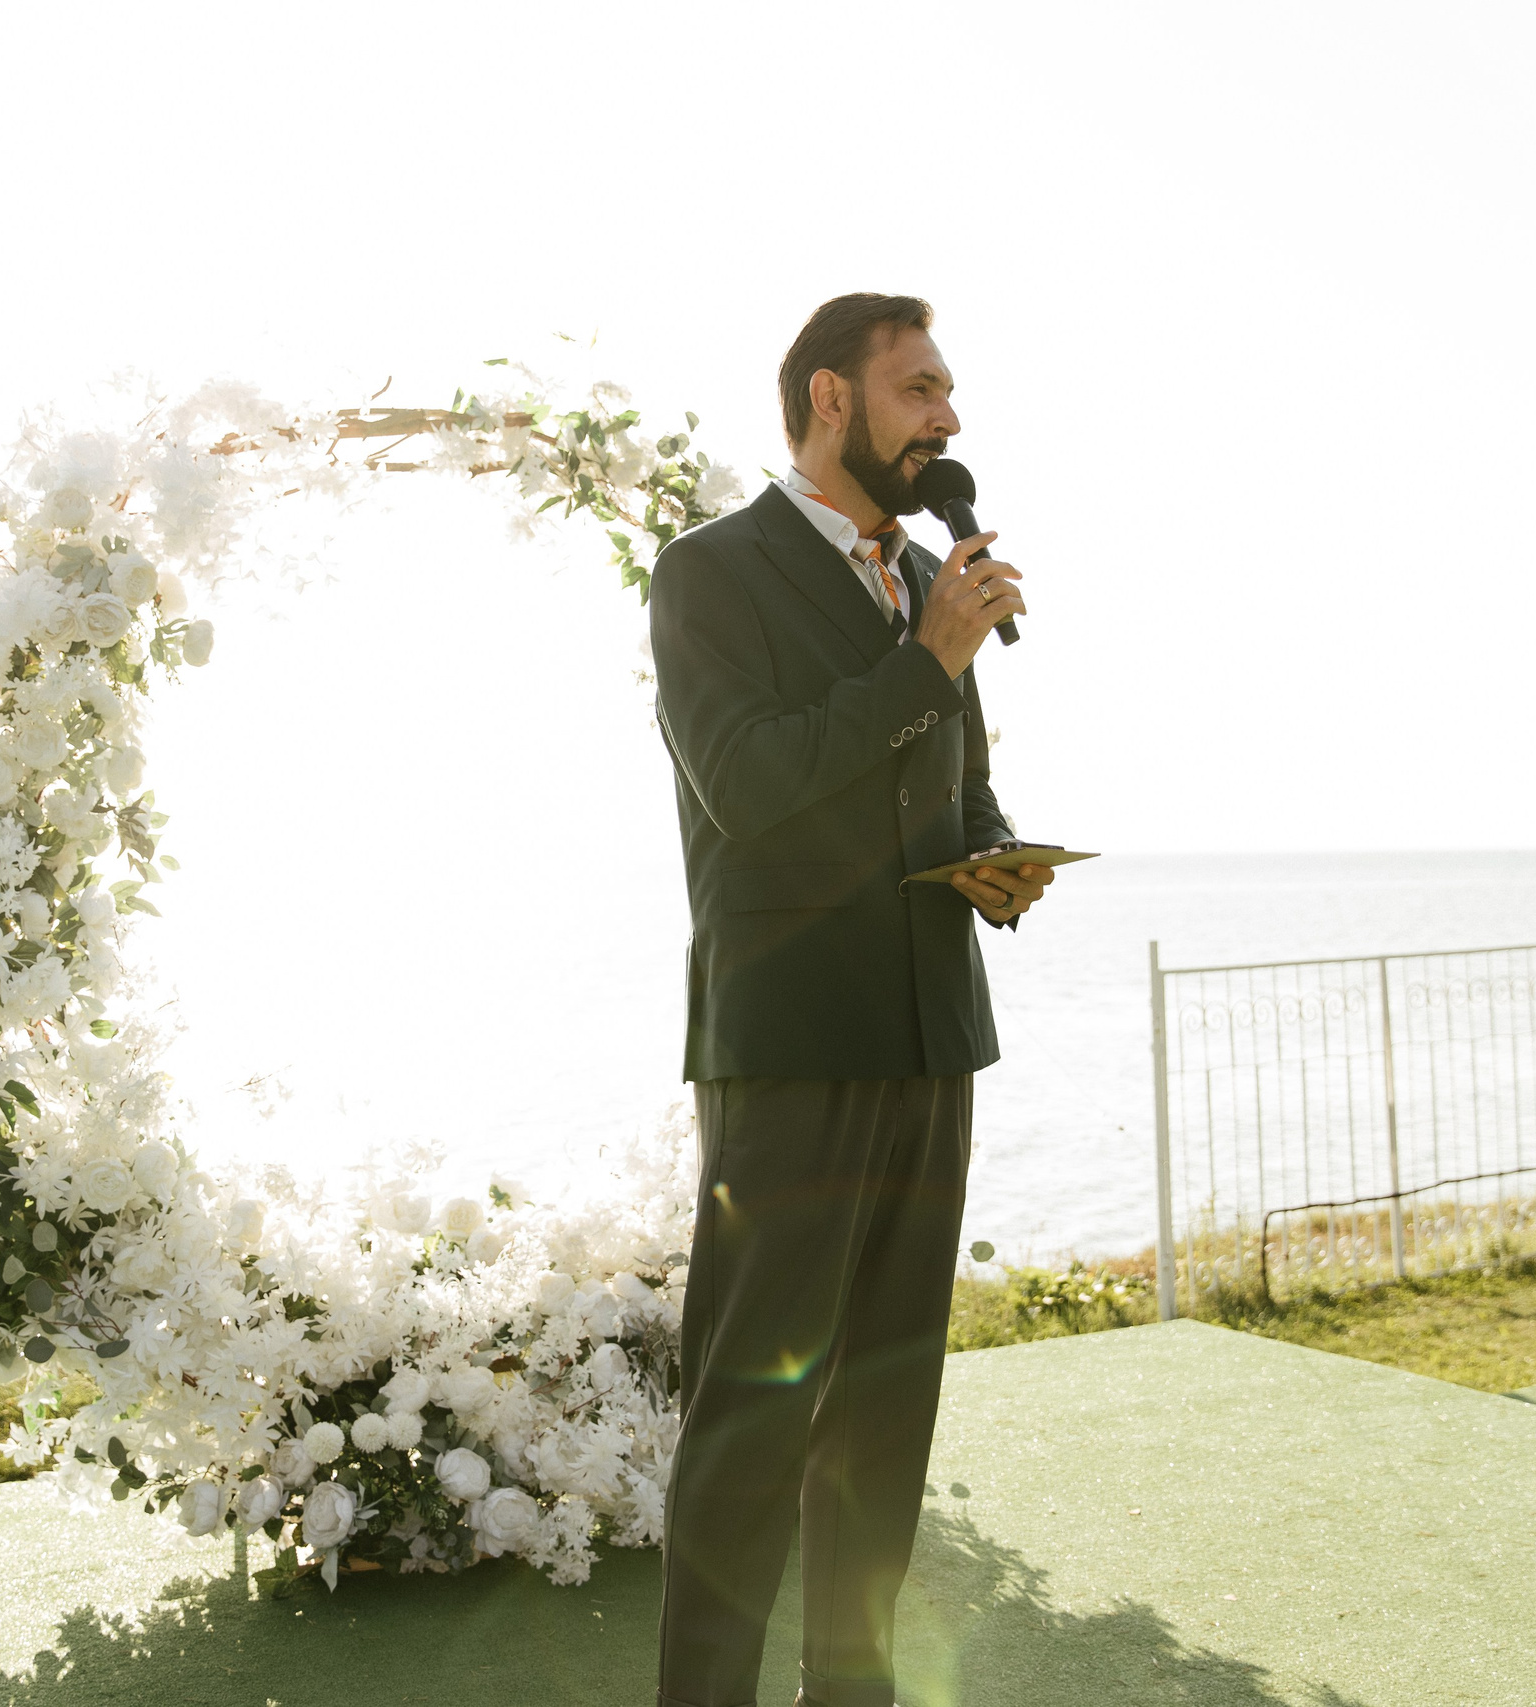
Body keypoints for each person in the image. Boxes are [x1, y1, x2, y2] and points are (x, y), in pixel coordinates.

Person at [648, 292, 1052, 1707]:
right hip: (793, 1048)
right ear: (834, 401)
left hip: (929, 1039)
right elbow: (749, 786)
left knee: (887, 1409)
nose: (946, 417)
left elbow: (951, 775)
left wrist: (993, 856)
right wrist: (924, 659)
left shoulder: (926, 575)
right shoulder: (713, 572)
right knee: (755, 1415)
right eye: (920, 388)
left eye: (946, 392)